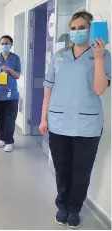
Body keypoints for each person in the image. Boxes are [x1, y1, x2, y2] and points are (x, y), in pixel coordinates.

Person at [39, 10, 111, 229]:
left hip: (87, 125)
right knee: (62, 168)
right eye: (73, 28)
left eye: (82, 28)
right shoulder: (60, 55)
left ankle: (74, 209)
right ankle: (62, 204)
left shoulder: (104, 56)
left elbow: (100, 89)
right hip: (58, 122)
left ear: (91, 29)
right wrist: (43, 119)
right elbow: (48, 89)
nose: (77, 32)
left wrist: (98, 57)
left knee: (81, 170)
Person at [0, 35, 21, 152]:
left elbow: (17, 75)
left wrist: (10, 70)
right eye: (2, 43)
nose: (4, 45)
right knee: (0, 117)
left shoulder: (16, 58)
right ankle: (2, 138)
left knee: (10, 118)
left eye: (6, 43)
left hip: (11, 94)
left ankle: (9, 141)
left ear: (11, 44)